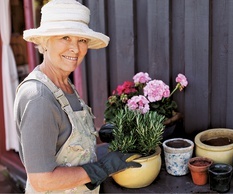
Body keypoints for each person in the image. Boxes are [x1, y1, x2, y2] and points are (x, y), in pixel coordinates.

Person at [14, 0, 141, 193]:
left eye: (81, 40)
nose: (75, 48)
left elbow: (67, 140)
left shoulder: (64, 84)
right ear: (45, 41)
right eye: (65, 37)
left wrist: (102, 134)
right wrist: (104, 168)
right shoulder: (39, 97)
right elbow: (42, 180)